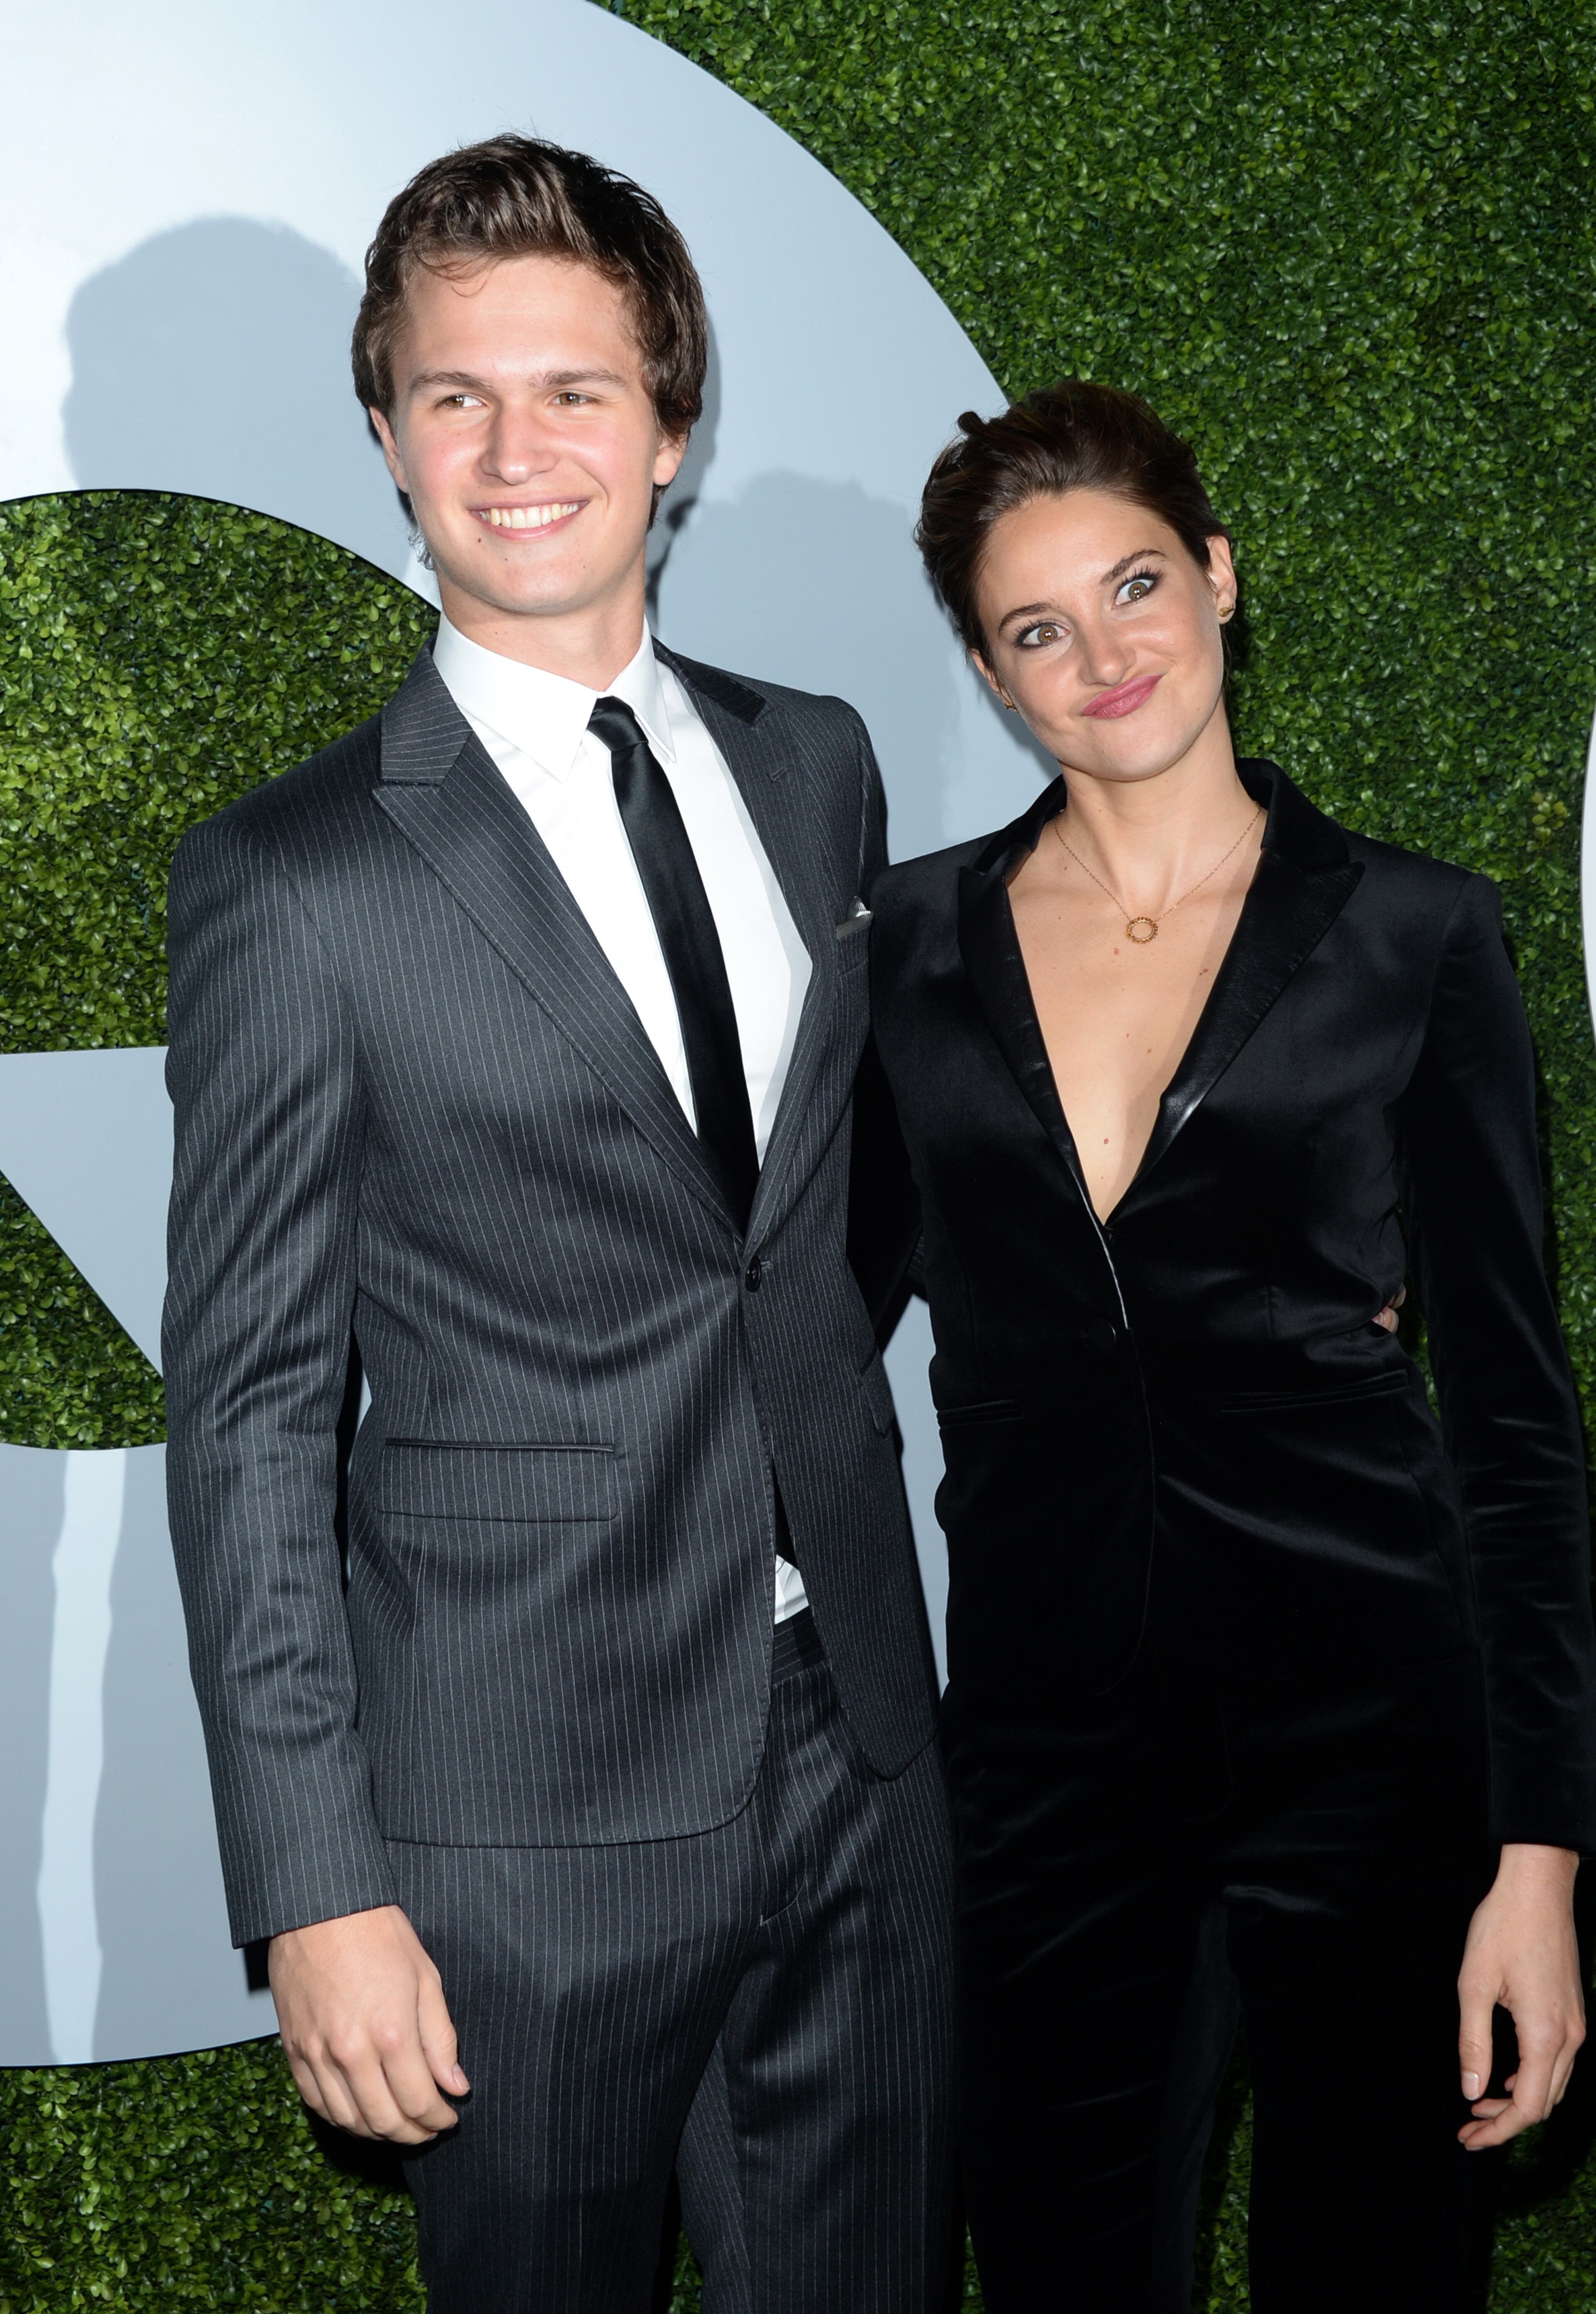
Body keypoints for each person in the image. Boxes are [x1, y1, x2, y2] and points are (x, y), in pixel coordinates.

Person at [162, 136, 956, 2314]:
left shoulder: (822, 768)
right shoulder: (292, 883)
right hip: (514, 1820)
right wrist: (315, 1885)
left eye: (577, 391)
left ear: (673, 426)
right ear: (392, 438)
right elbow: (243, 1417)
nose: (518, 452)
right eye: (455, 396)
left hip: (865, 1756)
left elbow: (809, 1218)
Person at [865, 379, 1596, 2312]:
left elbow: (1516, 1427)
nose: (1103, 656)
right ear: (991, 673)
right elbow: (800, 1340)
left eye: (1133, 588)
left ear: (1218, 576)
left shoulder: (1419, 937)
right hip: (1043, 1767)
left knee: (1377, 2271)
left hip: (1375, 1740)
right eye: (1039, 629)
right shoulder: (908, 958)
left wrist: (1540, 1855)